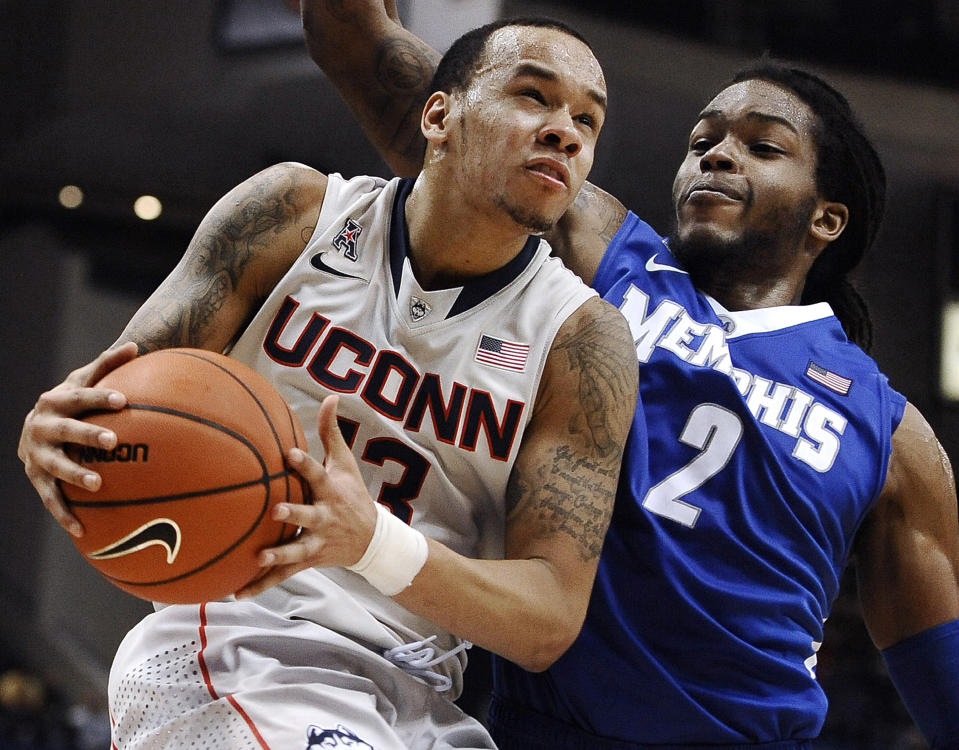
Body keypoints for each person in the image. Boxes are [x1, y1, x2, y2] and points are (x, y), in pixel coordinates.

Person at [301, 3, 959, 748]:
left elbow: (943, 683)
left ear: (825, 220)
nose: (715, 155)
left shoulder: (889, 430)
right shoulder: (607, 259)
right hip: (530, 729)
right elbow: (424, 100)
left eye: (762, 147)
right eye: (702, 140)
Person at [17, 17, 639, 750]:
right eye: (533, 96)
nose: (564, 131)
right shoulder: (293, 216)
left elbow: (546, 622)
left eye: (586, 119)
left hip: (419, 699)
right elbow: (109, 411)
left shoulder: (581, 339)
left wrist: (369, 539)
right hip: (239, 642)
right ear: (437, 115)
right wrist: (55, 434)